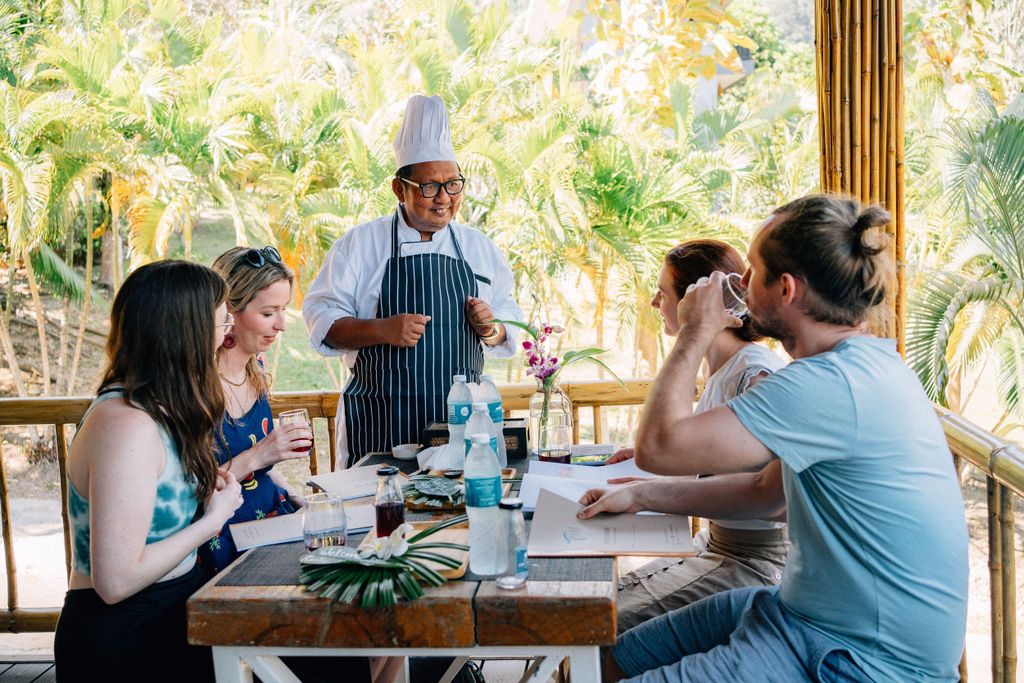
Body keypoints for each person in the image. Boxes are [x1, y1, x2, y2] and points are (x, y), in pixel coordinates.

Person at [605, 195, 968, 682]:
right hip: (802, 616)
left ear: (787, 289)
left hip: (860, 660)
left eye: (752, 271)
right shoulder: (864, 366)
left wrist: (695, 331)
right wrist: (641, 495)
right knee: (610, 656)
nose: (741, 283)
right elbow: (765, 493)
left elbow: (658, 447)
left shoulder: (829, 383)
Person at [577, 240, 787, 634]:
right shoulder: (723, 369)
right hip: (715, 544)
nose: (655, 303)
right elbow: (726, 466)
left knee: (602, 624)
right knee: (594, 602)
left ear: (697, 298)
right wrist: (653, 477)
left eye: (663, 292)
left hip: (753, 562)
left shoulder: (755, 373)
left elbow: (771, 495)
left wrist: (650, 488)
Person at [303, 94, 522, 467]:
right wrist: (382, 330)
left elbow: (512, 326)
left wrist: (492, 329)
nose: (444, 198)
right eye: (429, 187)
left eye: (453, 184)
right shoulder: (359, 245)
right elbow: (320, 323)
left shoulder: (478, 248)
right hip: (380, 427)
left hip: (461, 431)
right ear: (398, 189)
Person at [54, 261, 243, 682]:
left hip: (170, 611)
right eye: (220, 318)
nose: (228, 327)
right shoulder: (126, 425)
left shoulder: (155, 410)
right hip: (125, 637)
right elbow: (116, 580)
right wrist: (214, 519)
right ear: (184, 333)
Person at [199, 245, 311, 573]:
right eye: (268, 313)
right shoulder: (194, 387)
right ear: (227, 312)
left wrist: (294, 495)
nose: (282, 325)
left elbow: (262, 466)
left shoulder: (256, 368)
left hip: (274, 522)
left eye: (283, 310)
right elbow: (194, 491)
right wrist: (262, 453)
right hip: (223, 538)